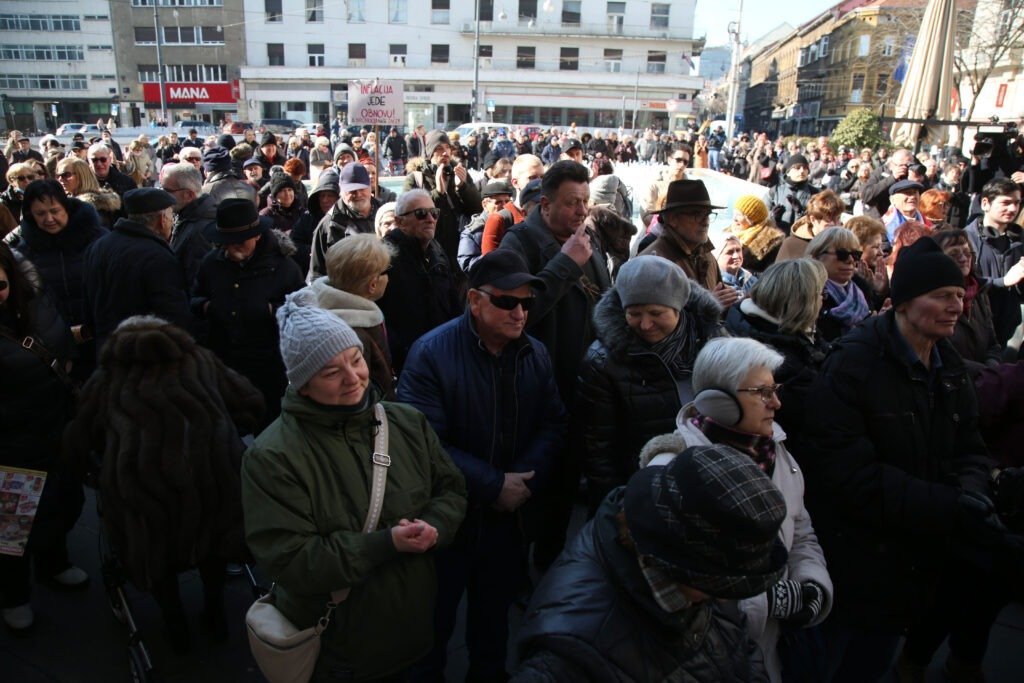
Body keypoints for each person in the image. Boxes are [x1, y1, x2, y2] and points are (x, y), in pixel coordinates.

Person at [798, 237, 1005, 681]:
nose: (956, 306)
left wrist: (971, 492)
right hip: (856, 557)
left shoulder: (947, 361)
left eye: (957, 296)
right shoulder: (854, 365)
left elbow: (969, 444)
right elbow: (846, 474)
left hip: (914, 556)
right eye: (941, 297)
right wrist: (947, 504)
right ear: (906, 303)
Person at [241, 291, 468, 682]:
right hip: (342, 652)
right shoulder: (272, 457)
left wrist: (436, 526)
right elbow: (292, 560)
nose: (354, 378)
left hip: (416, 635)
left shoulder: (406, 422)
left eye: (356, 359)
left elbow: (451, 488)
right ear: (302, 384)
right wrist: (387, 544)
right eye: (331, 372)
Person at [399, 250, 567, 682]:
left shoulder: (536, 354)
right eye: (507, 302)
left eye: (526, 303)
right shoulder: (432, 353)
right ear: (475, 300)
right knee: (429, 636)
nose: (520, 313)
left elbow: (553, 422)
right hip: (446, 521)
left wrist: (522, 482)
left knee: (492, 634)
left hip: (506, 525)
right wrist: (494, 485)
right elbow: (424, 442)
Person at [639, 337, 833, 683]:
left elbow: (800, 529)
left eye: (776, 389)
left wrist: (811, 584)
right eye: (762, 392)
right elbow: (668, 588)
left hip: (765, 652)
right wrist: (765, 601)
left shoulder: (773, 447)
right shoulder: (673, 472)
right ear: (718, 401)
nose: (776, 402)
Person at [65, 315, 264, 652]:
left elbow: (78, 440)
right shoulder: (201, 361)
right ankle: (214, 612)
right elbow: (251, 403)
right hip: (209, 482)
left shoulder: (106, 378)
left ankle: (175, 625)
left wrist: (103, 467)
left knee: (156, 554)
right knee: (213, 544)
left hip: (142, 494)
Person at [511, 444, 789, 682]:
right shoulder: (568, 659)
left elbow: (739, 646)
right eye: (721, 584)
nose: (723, 593)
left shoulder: (704, 563)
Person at [498, 160, 611, 567]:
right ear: (544, 204)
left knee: (564, 490)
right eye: (571, 203)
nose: (581, 211)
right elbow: (516, 314)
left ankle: (549, 570)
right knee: (531, 491)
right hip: (534, 393)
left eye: (585, 202)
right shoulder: (520, 243)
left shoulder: (587, 239)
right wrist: (565, 263)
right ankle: (514, 577)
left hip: (581, 388)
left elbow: (604, 301)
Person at [576, 255, 724, 514]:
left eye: (656, 313)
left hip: (707, 483)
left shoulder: (712, 343)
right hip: (641, 490)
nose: (645, 324)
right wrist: (613, 507)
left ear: (679, 308)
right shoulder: (603, 361)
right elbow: (599, 449)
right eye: (634, 314)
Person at [0, 242, 87, 633]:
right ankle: (13, 595)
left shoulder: (34, 298)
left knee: (60, 501)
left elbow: (60, 340)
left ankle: (55, 562)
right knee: (12, 526)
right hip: (10, 443)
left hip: (55, 425)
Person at [191, 199, 304, 425]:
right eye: (227, 242)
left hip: (269, 367)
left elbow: (302, 311)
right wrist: (208, 308)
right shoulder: (211, 263)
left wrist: (269, 310)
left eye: (240, 242)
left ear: (257, 236)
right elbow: (194, 298)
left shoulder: (283, 267)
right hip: (224, 364)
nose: (233, 248)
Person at [12, 179, 107, 377]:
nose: (49, 219)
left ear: (67, 208)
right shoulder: (23, 251)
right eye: (40, 213)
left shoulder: (97, 239)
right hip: (54, 344)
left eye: (54, 211)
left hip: (99, 335)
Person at [81, 188, 193, 355]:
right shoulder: (158, 256)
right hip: (145, 356)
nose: (172, 222)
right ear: (162, 219)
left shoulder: (98, 246)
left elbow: (88, 304)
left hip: (107, 351)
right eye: (171, 217)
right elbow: (174, 315)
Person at [724, 258, 829, 435]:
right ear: (802, 301)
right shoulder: (775, 355)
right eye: (820, 294)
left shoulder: (792, 332)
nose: (823, 300)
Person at [377, 189, 464, 373]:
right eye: (421, 214)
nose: (430, 219)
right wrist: (398, 352)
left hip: (445, 353)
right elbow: (377, 312)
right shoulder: (383, 256)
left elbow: (452, 301)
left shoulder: (437, 251)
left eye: (434, 213)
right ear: (400, 221)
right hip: (408, 361)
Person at [307, 233, 397, 398]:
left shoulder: (326, 309)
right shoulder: (351, 337)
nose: (389, 277)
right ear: (372, 284)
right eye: (386, 270)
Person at [640, 178, 738, 308]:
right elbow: (651, 321)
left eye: (707, 215)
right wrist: (708, 306)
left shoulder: (707, 254)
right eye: (696, 214)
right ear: (672, 219)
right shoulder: (653, 262)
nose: (706, 221)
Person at [964, 177, 1024, 351]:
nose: (1013, 208)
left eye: (1017, 203)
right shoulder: (965, 240)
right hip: (976, 326)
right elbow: (964, 283)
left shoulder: (1019, 240)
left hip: (1009, 327)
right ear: (985, 203)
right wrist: (1002, 281)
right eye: (1005, 202)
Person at [932, 229, 1002, 373]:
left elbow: (992, 344)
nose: (963, 258)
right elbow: (938, 354)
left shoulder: (980, 293)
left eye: (967, 252)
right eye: (954, 254)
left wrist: (992, 368)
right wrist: (983, 372)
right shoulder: (933, 300)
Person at [308, 163, 384, 281]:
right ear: (341, 191)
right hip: (347, 293)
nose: (357, 194)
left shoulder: (386, 215)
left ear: (370, 187)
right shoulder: (328, 225)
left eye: (361, 188)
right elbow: (316, 273)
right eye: (351, 190)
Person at [808, 227, 872, 342]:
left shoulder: (862, 287)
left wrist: (881, 294)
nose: (851, 260)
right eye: (842, 254)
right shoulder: (809, 293)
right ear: (817, 256)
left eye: (856, 254)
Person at [160, 163, 217, 289]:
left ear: (189, 195)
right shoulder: (185, 215)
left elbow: (196, 282)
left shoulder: (201, 230)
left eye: (167, 191)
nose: (162, 195)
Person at [480, 154, 544, 255]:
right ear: (515, 183)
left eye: (542, 177)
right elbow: (490, 265)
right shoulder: (498, 219)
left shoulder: (547, 213)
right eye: (532, 178)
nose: (539, 182)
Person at [458, 180, 513, 273]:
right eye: (498, 202)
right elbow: (466, 263)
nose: (504, 206)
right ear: (485, 205)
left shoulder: (514, 222)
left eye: (507, 201)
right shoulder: (472, 232)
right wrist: (492, 256)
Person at [776, 189, 845, 262]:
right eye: (828, 220)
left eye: (838, 218)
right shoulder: (792, 245)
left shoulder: (845, 243)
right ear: (813, 219)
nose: (834, 224)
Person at [55, 157, 122, 229]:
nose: (60, 179)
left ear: (82, 176)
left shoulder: (94, 206)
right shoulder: (67, 201)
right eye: (58, 176)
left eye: (66, 175)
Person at [640, 145, 690, 227]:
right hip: (657, 233)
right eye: (678, 160)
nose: (682, 165)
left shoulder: (690, 187)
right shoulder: (654, 184)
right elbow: (646, 215)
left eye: (685, 162)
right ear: (669, 160)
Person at [846, 215, 889, 310]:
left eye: (880, 247)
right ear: (858, 247)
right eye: (875, 247)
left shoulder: (878, 273)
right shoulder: (844, 277)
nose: (881, 253)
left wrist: (880, 292)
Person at [769, 154, 818, 233]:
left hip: (801, 239)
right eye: (797, 168)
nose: (802, 171)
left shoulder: (815, 193)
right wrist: (773, 217)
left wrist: (801, 214)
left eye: (805, 168)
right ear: (788, 172)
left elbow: (819, 221)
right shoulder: (775, 191)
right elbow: (761, 215)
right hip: (777, 236)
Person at [861, 148, 913, 219]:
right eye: (901, 165)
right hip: (881, 218)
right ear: (892, 164)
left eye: (907, 165)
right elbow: (867, 196)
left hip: (906, 218)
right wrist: (892, 178)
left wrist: (915, 180)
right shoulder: (880, 172)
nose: (905, 168)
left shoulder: (913, 174)